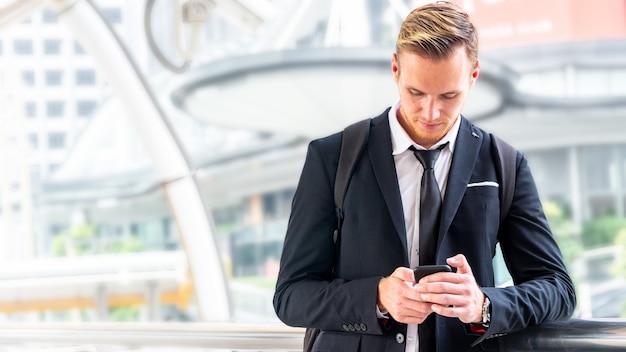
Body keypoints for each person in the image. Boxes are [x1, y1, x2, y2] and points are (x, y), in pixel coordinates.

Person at [273, 2, 576, 351]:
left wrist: (485, 306)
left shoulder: (504, 163)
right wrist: (375, 297)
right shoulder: (332, 157)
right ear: (395, 69)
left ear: (473, 75)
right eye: (416, 93)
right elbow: (291, 295)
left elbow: (557, 289)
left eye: (449, 95)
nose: (431, 113)